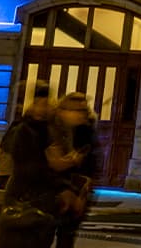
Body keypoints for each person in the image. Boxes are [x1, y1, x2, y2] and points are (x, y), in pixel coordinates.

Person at [0, 82, 74, 248]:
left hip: (42, 203)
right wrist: (59, 169)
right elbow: (29, 168)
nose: (45, 108)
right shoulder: (24, 130)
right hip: (25, 199)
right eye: (41, 103)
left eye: (47, 103)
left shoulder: (49, 129)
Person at [53, 93, 102, 248]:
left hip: (76, 192)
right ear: (63, 111)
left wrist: (82, 195)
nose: (81, 114)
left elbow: (91, 165)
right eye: (76, 110)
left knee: (66, 235)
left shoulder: (86, 132)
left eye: (83, 110)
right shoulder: (53, 132)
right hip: (54, 192)